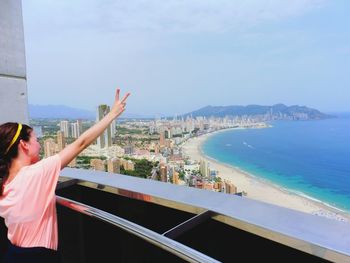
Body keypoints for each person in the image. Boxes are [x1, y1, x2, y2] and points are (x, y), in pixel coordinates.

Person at [0, 89, 130, 263]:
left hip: (12, 254)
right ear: (24, 145)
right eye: (36, 140)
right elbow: (81, 143)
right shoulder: (37, 174)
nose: (39, 145)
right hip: (40, 258)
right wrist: (112, 114)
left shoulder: (5, 183)